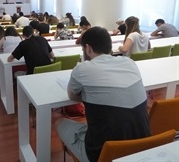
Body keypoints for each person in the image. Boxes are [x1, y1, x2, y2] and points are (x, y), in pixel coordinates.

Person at [56, 27, 151, 162]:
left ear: (88, 48)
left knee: (60, 123)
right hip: (142, 147)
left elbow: (72, 96)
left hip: (104, 154)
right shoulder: (130, 63)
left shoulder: (82, 69)